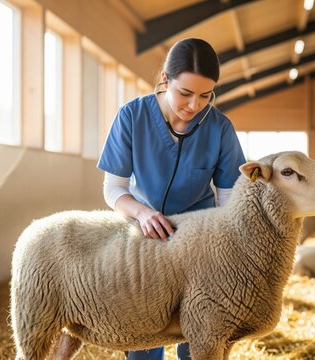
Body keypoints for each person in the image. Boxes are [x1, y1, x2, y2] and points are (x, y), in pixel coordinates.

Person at [97, 38, 246, 360]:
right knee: (143, 335)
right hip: (145, 236)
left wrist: (227, 247)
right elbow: (114, 188)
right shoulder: (132, 117)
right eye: (185, 93)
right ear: (164, 79)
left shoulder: (219, 128)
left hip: (200, 239)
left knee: (201, 335)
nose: (194, 106)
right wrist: (142, 214)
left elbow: (229, 196)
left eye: (205, 96)